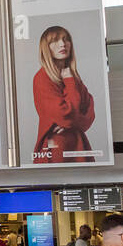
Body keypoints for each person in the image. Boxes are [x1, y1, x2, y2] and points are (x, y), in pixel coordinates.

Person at [31, 26, 97, 163]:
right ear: (46, 48)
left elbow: (90, 114)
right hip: (56, 148)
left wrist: (71, 122)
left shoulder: (72, 76)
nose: (62, 44)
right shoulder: (42, 77)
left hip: (79, 147)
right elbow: (65, 115)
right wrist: (69, 82)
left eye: (66, 39)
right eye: (55, 41)